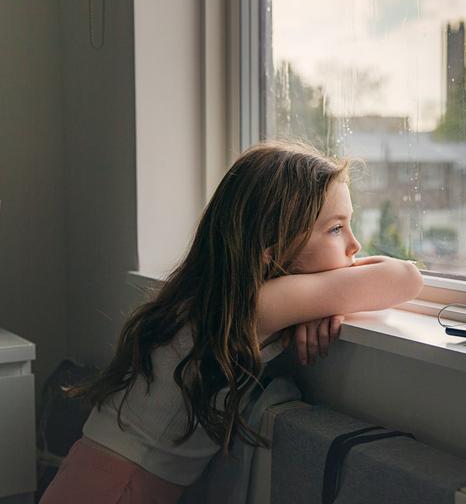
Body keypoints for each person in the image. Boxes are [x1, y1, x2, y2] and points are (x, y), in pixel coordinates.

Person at [40, 141, 423, 503]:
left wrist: (321, 302)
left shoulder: (213, 296)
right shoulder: (249, 306)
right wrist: (324, 297)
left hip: (93, 476)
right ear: (270, 250)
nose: (355, 245)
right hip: (119, 491)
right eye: (336, 229)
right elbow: (406, 278)